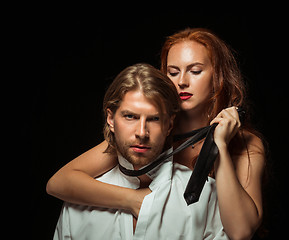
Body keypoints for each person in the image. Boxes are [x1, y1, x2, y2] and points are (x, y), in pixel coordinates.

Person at [47, 28, 266, 240]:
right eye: (172, 72)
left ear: (218, 76)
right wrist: (131, 199)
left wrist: (221, 145)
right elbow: (60, 182)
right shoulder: (152, 131)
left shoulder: (245, 143)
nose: (182, 81)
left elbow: (241, 232)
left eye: (195, 71)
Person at [52, 63, 229, 239]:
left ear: (169, 124)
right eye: (130, 116)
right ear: (111, 119)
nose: (142, 133)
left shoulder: (205, 196)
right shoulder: (78, 204)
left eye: (154, 119)